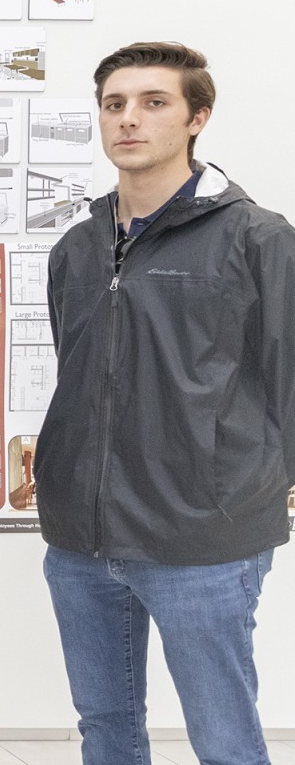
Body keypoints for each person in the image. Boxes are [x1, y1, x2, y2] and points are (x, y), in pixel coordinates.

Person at [37, 42, 295, 765]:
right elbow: (79, 376)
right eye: (115, 104)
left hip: (203, 541)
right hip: (81, 540)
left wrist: (264, 488)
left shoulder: (258, 237)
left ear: (196, 118)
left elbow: (288, 374)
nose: (130, 120)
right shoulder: (77, 249)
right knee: (106, 730)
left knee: (225, 740)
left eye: (155, 103)